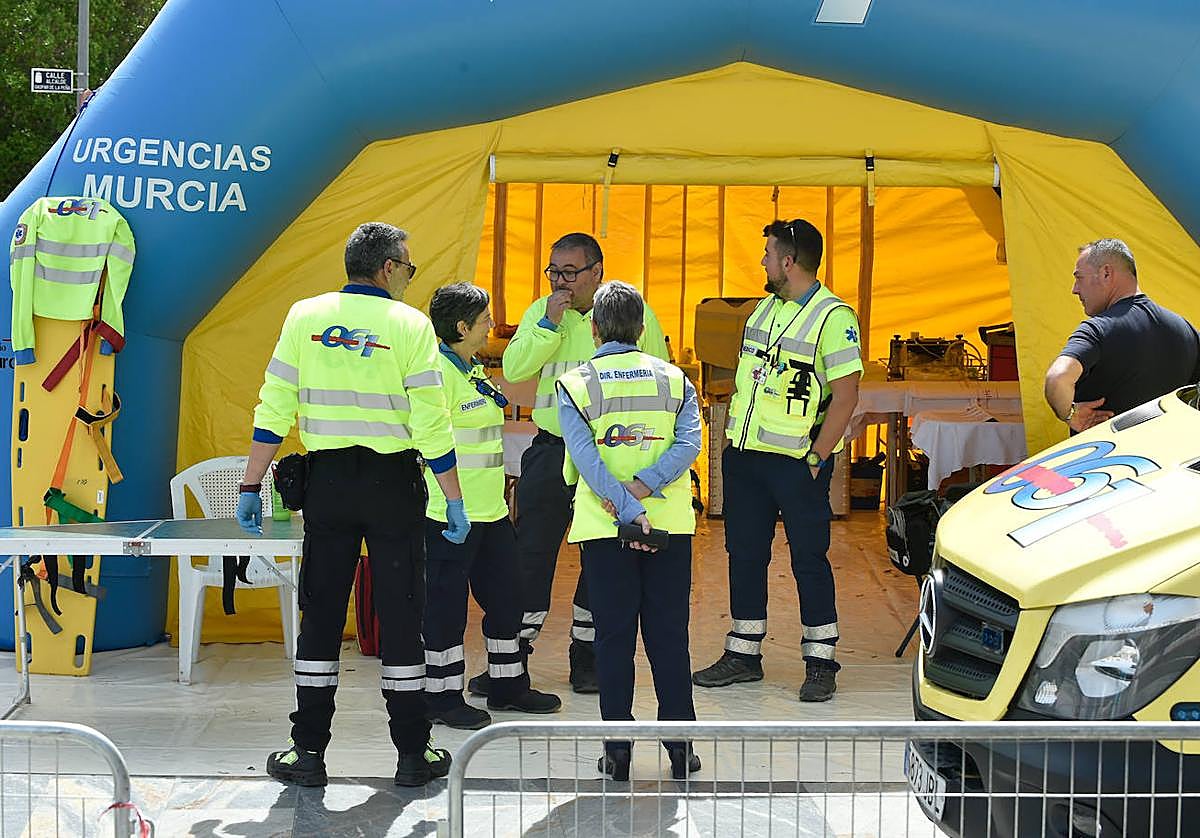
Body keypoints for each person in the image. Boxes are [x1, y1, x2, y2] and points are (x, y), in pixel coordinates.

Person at [236, 222, 470, 787]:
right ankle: (413, 754)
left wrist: (250, 486)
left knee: (320, 615)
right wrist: (453, 496)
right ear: (388, 267)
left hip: (329, 485)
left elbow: (275, 405)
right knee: (400, 616)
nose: (409, 280)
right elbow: (430, 421)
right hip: (393, 485)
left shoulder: (304, 316)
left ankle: (307, 752)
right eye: (408, 269)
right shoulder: (410, 325)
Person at [469, 232, 668, 697]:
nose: (560, 281)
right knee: (529, 557)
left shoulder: (630, 311)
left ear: (597, 271)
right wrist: (548, 325)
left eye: (570, 273)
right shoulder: (544, 310)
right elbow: (516, 370)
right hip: (552, 450)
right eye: (553, 271)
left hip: (609, 456)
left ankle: (588, 658)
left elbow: (656, 377)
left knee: (601, 557)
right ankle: (509, 662)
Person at [692, 218, 862, 703]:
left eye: (768, 254)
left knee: (809, 558)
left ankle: (821, 659)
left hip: (796, 462)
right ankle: (743, 653)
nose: (763, 262)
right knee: (744, 555)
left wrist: (816, 456)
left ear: (789, 261)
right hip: (746, 458)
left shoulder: (834, 317)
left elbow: (847, 395)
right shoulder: (764, 308)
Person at [556, 280, 702, 781]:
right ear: (642, 328)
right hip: (668, 524)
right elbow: (689, 446)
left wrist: (621, 505)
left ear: (593, 329)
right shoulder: (677, 381)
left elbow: (586, 459)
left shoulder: (576, 384)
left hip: (604, 528)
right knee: (668, 637)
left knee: (613, 637)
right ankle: (681, 749)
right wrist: (644, 489)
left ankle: (617, 751)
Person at [422, 282, 562, 729]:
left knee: (508, 598)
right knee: (445, 609)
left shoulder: (469, 368)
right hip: (449, 514)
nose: (490, 330)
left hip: (491, 512)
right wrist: (454, 503)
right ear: (461, 327)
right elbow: (428, 442)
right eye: (484, 322)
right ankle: (441, 696)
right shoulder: (435, 375)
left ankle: (507, 685)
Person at [1044, 238, 1200, 432]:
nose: (1074, 289)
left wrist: (1070, 415)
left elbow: (1057, 378)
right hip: (1167, 457)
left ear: (1106, 273)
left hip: (1108, 457)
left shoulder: (1096, 330)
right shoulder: (1186, 329)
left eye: (1079, 277)